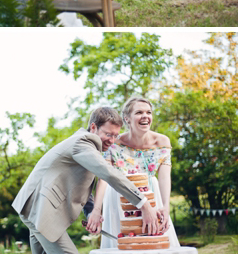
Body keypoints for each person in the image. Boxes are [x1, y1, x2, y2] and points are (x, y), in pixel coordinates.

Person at [12, 107, 162, 254]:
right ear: (93, 127)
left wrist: (90, 213)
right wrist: (143, 204)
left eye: (115, 136)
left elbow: (81, 185)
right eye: (108, 134)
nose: (112, 140)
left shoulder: (87, 148)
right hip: (41, 209)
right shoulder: (83, 143)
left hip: (34, 207)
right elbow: (109, 174)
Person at [86, 97, 177, 248]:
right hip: (118, 197)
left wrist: (166, 207)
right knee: (123, 244)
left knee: (152, 242)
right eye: (139, 112)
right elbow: (104, 178)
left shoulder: (162, 142)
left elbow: (164, 178)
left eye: (148, 112)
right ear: (127, 119)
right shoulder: (114, 143)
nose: (145, 116)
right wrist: (96, 210)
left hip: (151, 194)